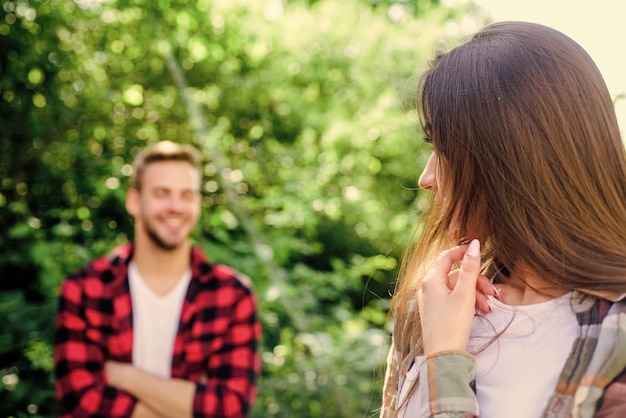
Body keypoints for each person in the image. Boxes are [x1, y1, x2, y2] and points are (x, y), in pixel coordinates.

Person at [380, 21, 626, 418]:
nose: (425, 179)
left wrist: (445, 361)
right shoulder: (431, 306)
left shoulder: (617, 331)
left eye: (443, 148)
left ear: (510, 161)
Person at [54, 141, 261, 417]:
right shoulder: (85, 289)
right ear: (134, 202)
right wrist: (183, 404)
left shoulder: (232, 294)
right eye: (162, 193)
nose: (175, 206)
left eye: (186, 195)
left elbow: (229, 408)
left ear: (198, 204)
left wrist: (127, 377)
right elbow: (80, 401)